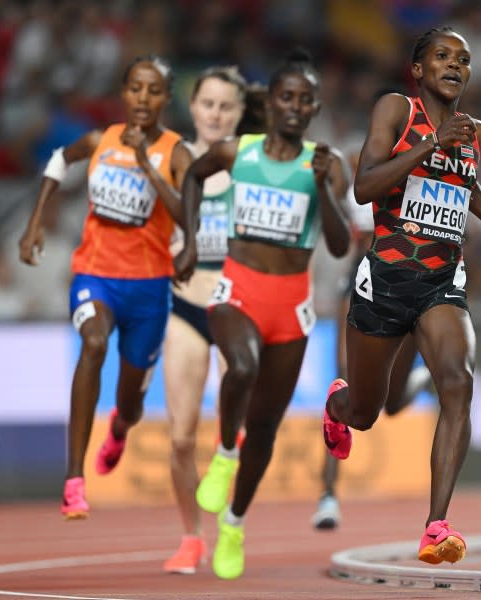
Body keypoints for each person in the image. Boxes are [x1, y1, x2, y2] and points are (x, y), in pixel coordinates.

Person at [321, 26, 481, 565]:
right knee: (366, 414)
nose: (454, 64)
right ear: (418, 69)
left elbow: (464, 184)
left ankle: (436, 526)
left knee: (458, 383)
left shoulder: (473, 131)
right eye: (441, 56)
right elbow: (364, 188)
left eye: (463, 58)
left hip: (441, 281)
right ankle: (337, 406)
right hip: (385, 280)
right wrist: (430, 143)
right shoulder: (396, 109)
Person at [174, 48, 351, 580]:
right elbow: (191, 178)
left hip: (290, 308)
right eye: (286, 97)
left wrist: (322, 186)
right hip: (236, 291)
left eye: (305, 99)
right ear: (270, 103)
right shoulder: (238, 152)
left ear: (315, 106)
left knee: (267, 429)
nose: (295, 106)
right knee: (242, 368)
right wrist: (186, 245)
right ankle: (225, 452)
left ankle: (233, 519)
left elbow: (341, 246)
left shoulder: (327, 162)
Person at [18, 55, 192, 519]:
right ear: (123, 92)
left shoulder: (177, 152)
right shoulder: (100, 140)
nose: (143, 98)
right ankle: (74, 480)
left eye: (153, 91)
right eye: (135, 88)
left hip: (150, 290)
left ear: (166, 99)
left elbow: (186, 215)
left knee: (131, 402)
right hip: (95, 275)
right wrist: (35, 222)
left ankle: (120, 428)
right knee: (93, 344)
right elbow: (59, 160)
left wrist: (147, 165)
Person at [161, 68, 266, 574]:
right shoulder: (171, 159)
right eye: (207, 103)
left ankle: (232, 524)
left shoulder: (254, 161)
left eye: (226, 106)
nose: (216, 113)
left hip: (235, 304)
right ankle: (190, 536)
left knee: (238, 430)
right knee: (181, 438)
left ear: (241, 112)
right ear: (193, 106)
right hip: (183, 305)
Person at [311, 143, 432, 530]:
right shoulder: (351, 164)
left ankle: (415, 382)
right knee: (343, 386)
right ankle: (328, 496)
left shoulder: (424, 162)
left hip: (408, 284)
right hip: (361, 281)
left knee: (391, 405)